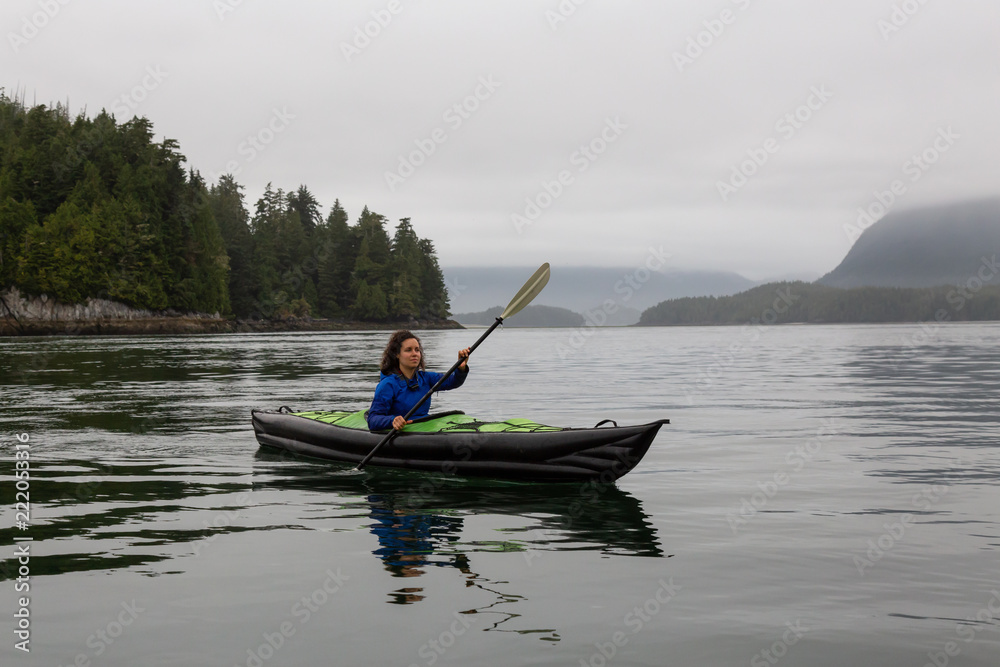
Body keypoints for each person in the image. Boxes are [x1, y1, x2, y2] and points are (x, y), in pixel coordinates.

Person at [367, 330, 470, 432]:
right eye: (408, 350)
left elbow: (453, 381)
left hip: (423, 427)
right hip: (403, 434)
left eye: (417, 350)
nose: (414, 354)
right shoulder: (387, 384)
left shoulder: (426, 378)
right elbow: (373, 419)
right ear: (397, 354)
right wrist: (392, 420)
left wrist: (461, 368)